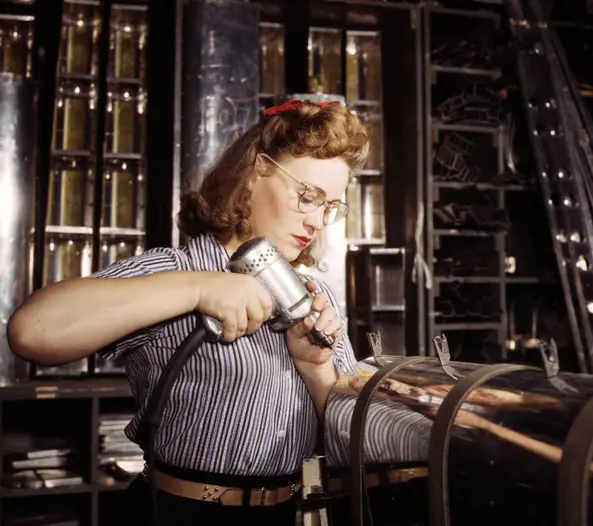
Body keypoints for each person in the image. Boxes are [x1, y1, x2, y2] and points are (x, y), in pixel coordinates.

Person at [7, 99, 370, 525]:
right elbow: (32, 331)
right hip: (181, 512)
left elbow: (352, 443)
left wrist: (317, 369)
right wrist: (199, 288)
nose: (317, 222)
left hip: (283, 514)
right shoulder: (176, 270)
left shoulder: (313, 295)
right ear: (255, 171)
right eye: (308, 196)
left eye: (330, 207)